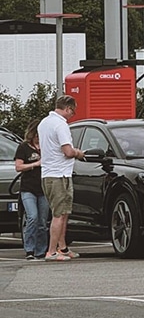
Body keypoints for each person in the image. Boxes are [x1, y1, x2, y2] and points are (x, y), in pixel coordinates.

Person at [38, 94, 86, 260]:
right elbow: (67, 151)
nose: (72, 115)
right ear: (68, 108)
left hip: (50, 173)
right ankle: (51, 251)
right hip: (59, 175)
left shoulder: (44, 123)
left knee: (63, 213)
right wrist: (78, 153)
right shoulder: (61, 125)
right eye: (72, 112)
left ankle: (63, 248)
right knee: (59, 215)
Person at [15, 122, 50, 260]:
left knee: (42, 221)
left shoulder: (46, 146)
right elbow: (18, 167)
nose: (38, 138)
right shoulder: (23, 148)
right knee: (32, 217)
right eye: (36, 135)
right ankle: (29, 249)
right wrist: (35, 164)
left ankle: (41, 250)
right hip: (28, 188)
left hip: (43, 188)